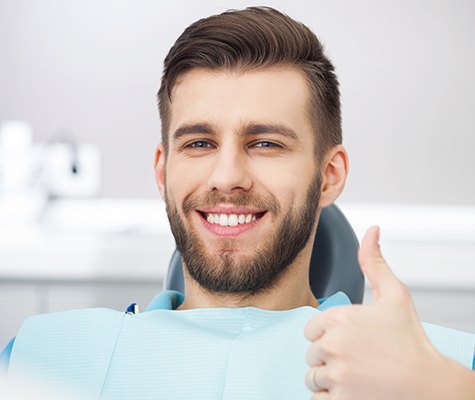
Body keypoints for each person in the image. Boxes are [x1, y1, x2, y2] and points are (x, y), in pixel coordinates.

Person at [1, 6, 474, 399]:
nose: (227, 177)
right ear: (163, 171)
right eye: (199, 144)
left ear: (329, 176)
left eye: (265, 143)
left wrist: (447, 389)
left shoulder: (441, 366)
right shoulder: (40, 355)